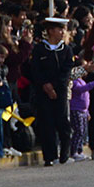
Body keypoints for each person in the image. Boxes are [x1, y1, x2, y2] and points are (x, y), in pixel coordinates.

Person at [28, 18, 76, 166]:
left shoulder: (66, 50)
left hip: (60, 91)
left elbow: (66, 71)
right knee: (46, 123)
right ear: (50, 31)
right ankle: (49, 156)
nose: (62, 32)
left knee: (63, 122)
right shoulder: (39, 49)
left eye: (63, 29)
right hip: (43, 92)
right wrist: (45, 85)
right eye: (59, 29)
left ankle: (65, 154)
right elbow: (35, 70)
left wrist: (55, 86)